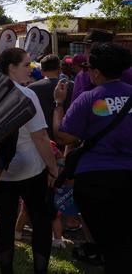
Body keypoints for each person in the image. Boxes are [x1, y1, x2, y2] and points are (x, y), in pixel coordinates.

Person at [53, 43, 132, 273]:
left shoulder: (89, 98)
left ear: (96, 72)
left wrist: (58, 104)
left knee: (110, 243)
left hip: (95, 181)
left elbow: (64, 136)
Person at [0, 47, 58, 274]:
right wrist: (52, 167)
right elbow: (40, 136)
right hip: (31, 169)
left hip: (2, 172)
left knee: (5, 223)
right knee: (40, 223)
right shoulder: (27, 94)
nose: (30, 70)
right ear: (11, 67)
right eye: (26, 65)